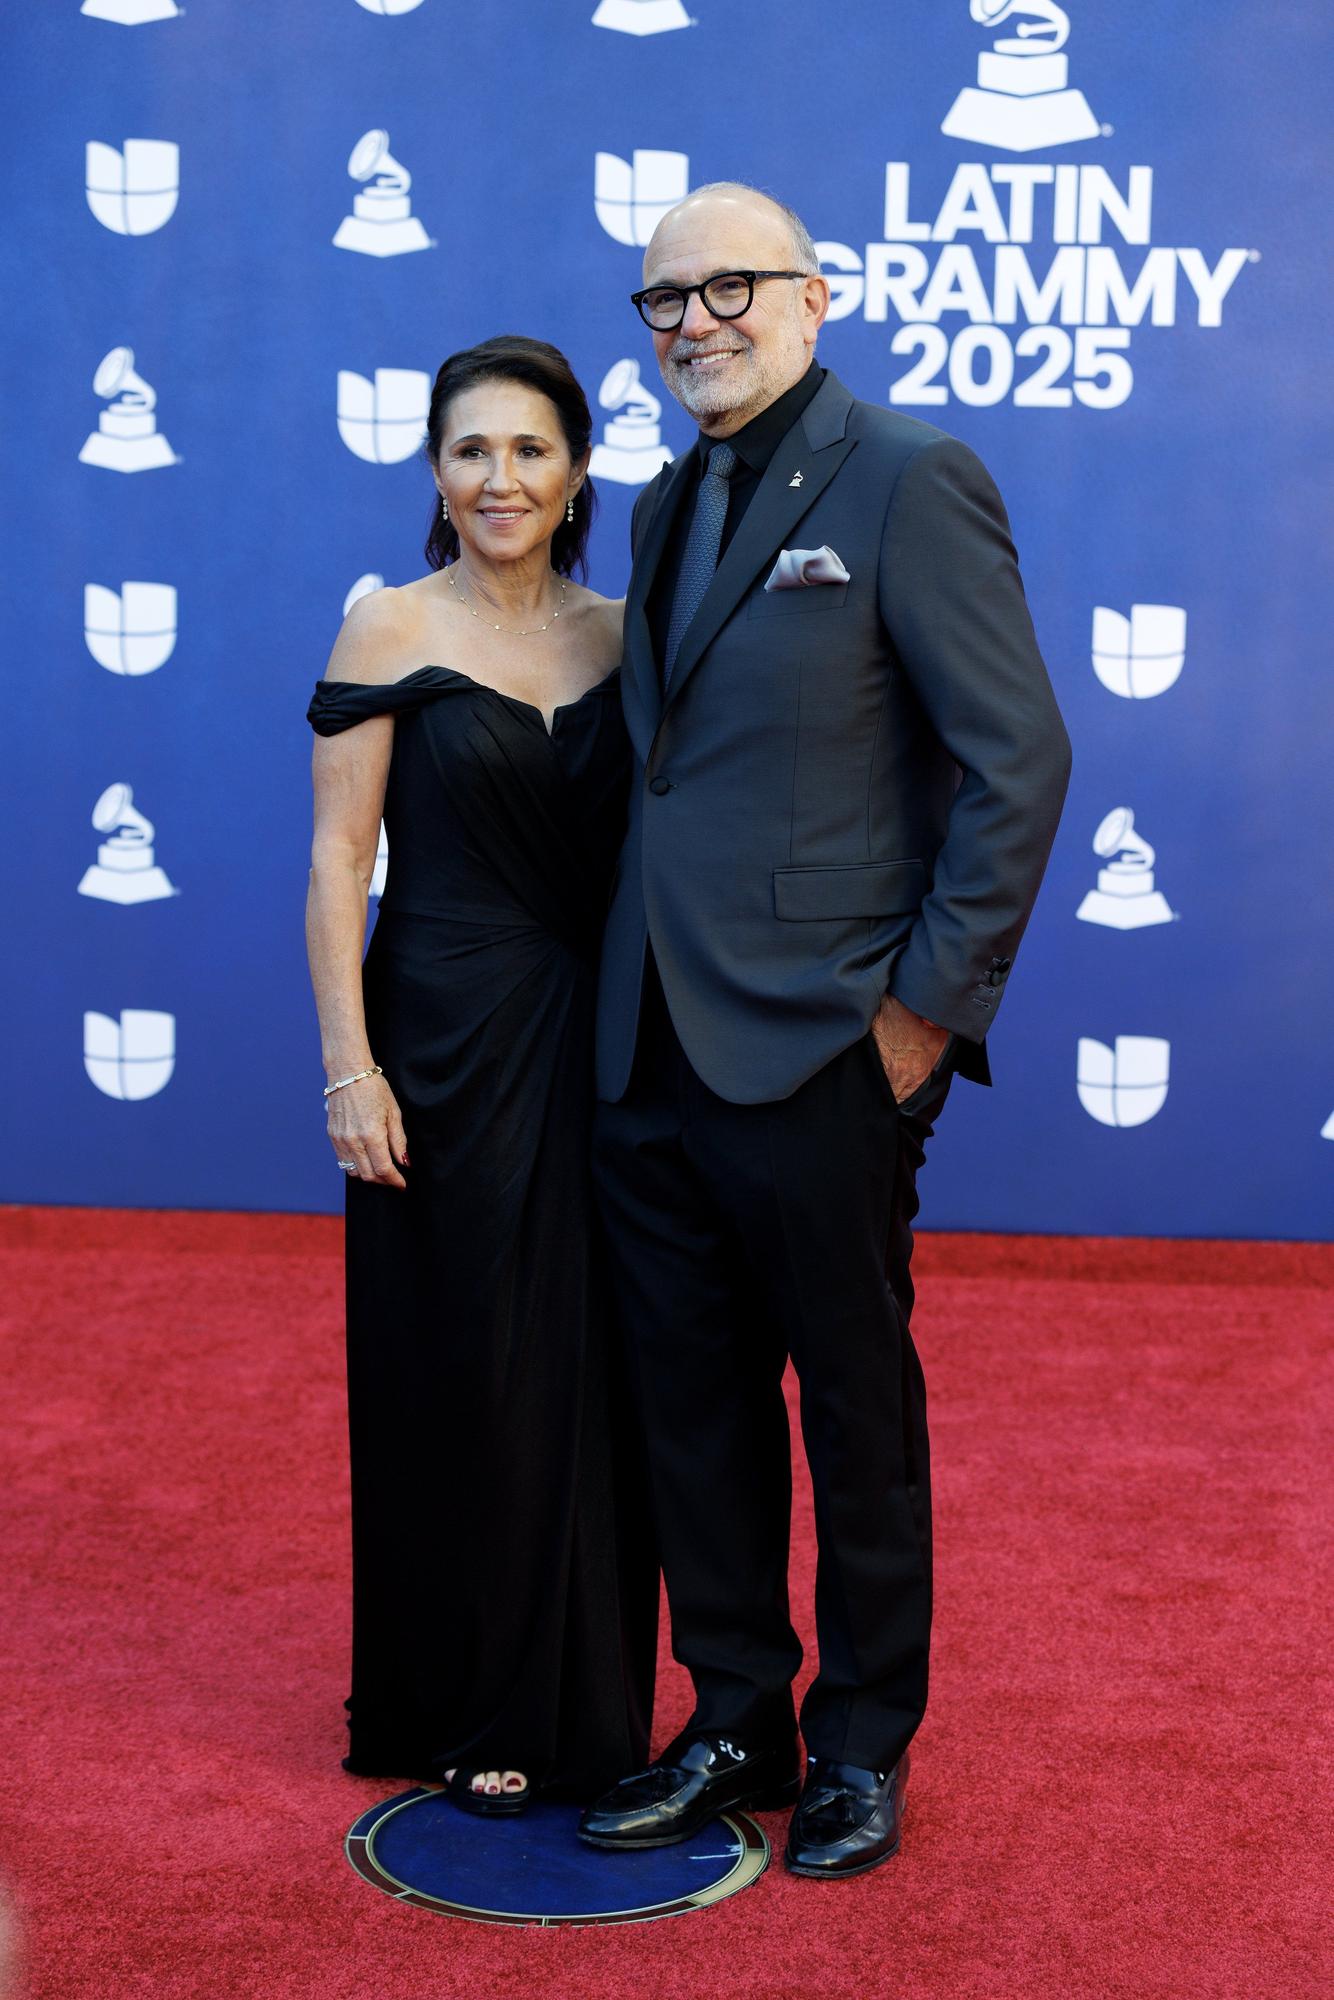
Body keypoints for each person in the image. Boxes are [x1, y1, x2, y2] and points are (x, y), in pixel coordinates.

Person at [579, 186, 1072, 1877]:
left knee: (854, 1410)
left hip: (822, 1045)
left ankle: (861, 1741)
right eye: (663, 299)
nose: (694, 322)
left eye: (729, 286)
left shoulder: (908, 476)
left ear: (814, 295)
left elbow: (1017, 759)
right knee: (692, 1408)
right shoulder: (661, 499)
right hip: (647, 1045)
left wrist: (921, 1012)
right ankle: (735, 1716)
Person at [305, 335, 655, 1814]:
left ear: (577, 471)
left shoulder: (632, 634)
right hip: (441, 1042)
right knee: (459, 1364)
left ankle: (584, 1698)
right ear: (435, 473)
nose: (499, 478)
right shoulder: (386, 626)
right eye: (470, 452)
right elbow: (339, 860)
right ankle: (457, 1690)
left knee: (598, 1371)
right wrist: (350, 1070)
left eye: (528, 449)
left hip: (608, 1047)